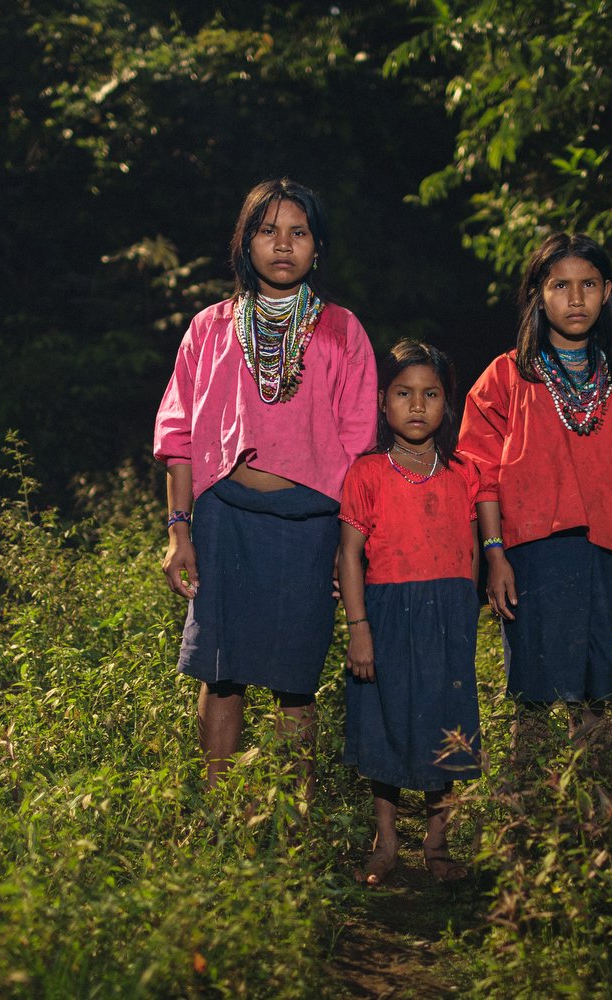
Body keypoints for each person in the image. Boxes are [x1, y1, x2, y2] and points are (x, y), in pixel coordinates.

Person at [153, 178, 377, 793]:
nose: (283, 245)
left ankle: (296, 820)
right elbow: (178, 434)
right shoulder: (209, 328)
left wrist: (349, 546)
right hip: (225, 517)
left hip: (311, 526)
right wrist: (179, 532)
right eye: (267, 230)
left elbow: (360, 449)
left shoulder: (342, 331)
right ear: (244, 243)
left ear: (317, 246)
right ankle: (220, 819)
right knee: (220, 673)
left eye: (298, 232)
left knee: (295, 678)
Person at [457, 233, 612, 750]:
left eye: (588, 284)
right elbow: (480, 473)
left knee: (594, 694)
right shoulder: (506, 376)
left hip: (603, 551)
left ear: (607, 292)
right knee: (534, 696)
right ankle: (526, 814)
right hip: (532, 552)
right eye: (561, 285)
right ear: (539, 294)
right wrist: (495, 555)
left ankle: (591, 813)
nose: (577, 298)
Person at [336, 340, 481, 886]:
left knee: (448, 723)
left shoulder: (461, 475)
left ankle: (437, 845)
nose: (416, 405)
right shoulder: (367, 472)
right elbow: (348, 553)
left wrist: (465, 613)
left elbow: (469, 553)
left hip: (447, 613)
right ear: (381, 401)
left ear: (448, 404)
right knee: (386, 722)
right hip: (387, 612)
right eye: (403, 393)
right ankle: (386, 841)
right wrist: (359, 629)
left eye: (430, 394)